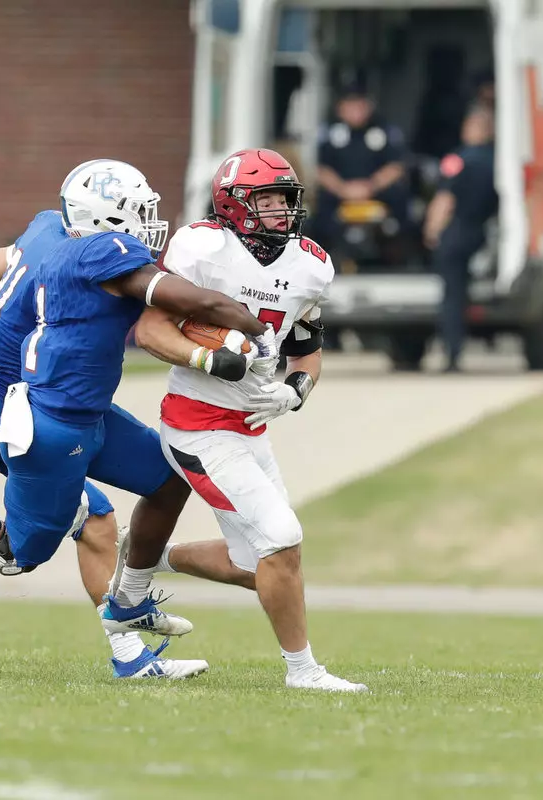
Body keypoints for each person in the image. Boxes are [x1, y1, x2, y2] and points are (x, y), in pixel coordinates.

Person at [0, 160, 278, 667]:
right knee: (15, 556)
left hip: (86, 414)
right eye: (137, 211)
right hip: (50, 425)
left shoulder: (55, 231)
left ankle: (128, 608)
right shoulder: (100, 251)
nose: (146, 220)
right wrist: (253, 326)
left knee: (168, 477)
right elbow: (183, 297)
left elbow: (0, 260)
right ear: (105, 218)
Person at [132, 148, 367, 692]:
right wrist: (207, 357)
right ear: (234, 205)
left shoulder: (309, 264)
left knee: (257, 560)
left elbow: (307, 350)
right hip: (196, 422)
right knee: (281, 539)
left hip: (252, 425)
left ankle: (148, 554)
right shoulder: (202, 248)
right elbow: (149, 330)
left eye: (287, 200)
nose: (282, 212)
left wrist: (295, 391)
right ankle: (304, 672)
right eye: (267, 200)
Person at [423, 104, 498, 373]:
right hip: (480, 231)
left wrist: (432, 228)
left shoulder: (458, 160)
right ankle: (456, 348)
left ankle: (452, 353)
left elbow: (445, 198)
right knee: (461, 291)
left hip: (456, 231)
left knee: (451, 296)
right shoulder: (496, 160)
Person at [310, 83, 412, 248]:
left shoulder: (385, 130)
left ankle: (399, 249)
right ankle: (325, 250)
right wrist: (342, 189)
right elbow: (322, 169)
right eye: (351, 106)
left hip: (375, 189)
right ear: (340, 108)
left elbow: (396, 167)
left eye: (360, 105)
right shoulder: (329, 133)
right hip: (341, 190)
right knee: (320, 206)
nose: (356, 110)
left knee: (401, 198)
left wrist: (371, 186)